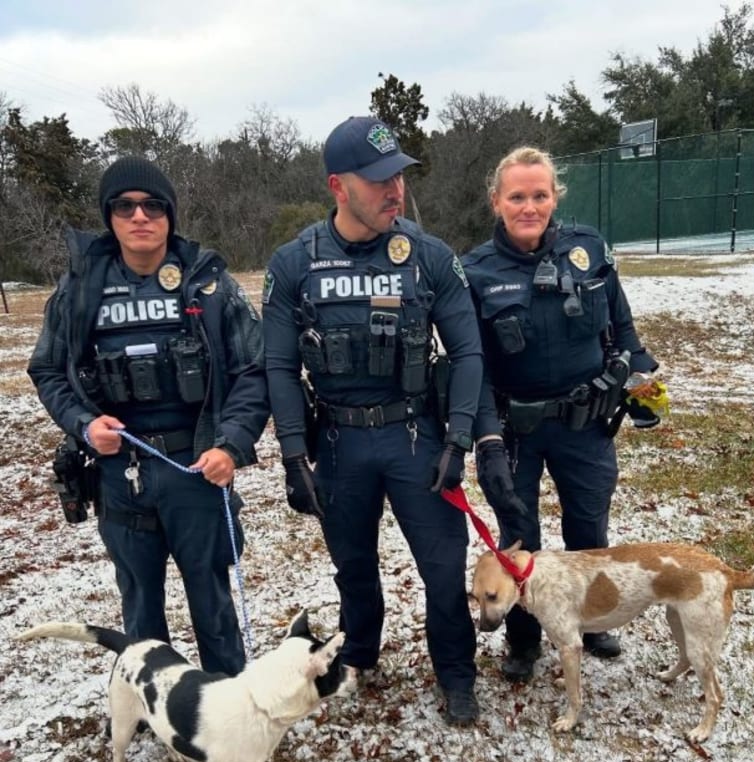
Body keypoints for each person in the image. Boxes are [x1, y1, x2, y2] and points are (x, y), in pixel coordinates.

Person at [262, 116, 483, 725]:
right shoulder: (294, 264)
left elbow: (468, 351)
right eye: (380, 179)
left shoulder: (429, 256)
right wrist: (292, 453)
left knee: (443, 566)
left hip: (415, 437)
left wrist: (459, 437)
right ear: (339, 185)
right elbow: (278, 365)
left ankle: (456, 673)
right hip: (338, 442)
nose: (395, 190)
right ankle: (359, 654)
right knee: (353, 565)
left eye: (400, 177)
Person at [28, 156, 271, 676]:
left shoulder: (208, 283)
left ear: (170, 215)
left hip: (197, 466)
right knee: (140, 608)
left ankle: (225, 701)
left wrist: (231, 444)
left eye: (153, 205)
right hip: (122, 472)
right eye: (125, 206)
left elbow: (254, 369)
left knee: (213, 604)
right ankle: (152, 701)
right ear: (109, 215)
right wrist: (83, 425)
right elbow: (47, 369)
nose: (140, 216)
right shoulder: (79, 289)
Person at [462, 146, 661, 683]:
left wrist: (640, 386)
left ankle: (591, 621)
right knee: (518, 534)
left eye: (540, 195)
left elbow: (623, 328)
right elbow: (472, 365)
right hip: (516, 430)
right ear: (496, 201)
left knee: (589, 531)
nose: (529, 207)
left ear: (555, 197)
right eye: (517, 197)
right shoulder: (475, 271)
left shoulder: (588, 249)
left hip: (586, 423)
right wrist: (486, 440)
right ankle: (525, 638)